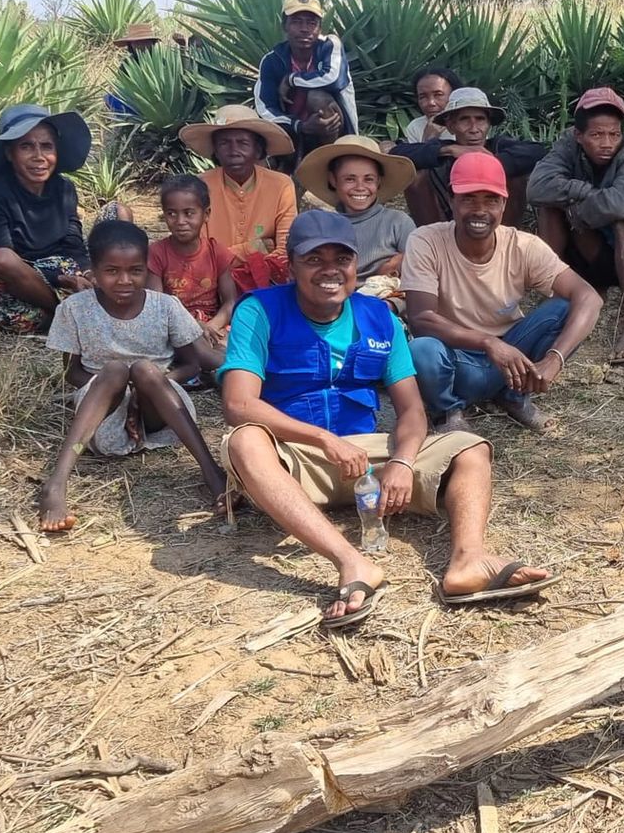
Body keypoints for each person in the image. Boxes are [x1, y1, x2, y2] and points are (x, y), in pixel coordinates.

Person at [220, 210, 555, 625]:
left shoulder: (380, 317)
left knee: (471, 447)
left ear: (356, 264)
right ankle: (352, 562)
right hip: (293, 458)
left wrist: (401, 461)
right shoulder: (260, 310)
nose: (330, 271)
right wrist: (323, 440)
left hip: (365, 464)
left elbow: (412, 410)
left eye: (341, 260)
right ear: (291, 264)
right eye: (314, 259)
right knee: (244, 439)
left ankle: (468, 560)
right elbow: (239, 404)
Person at [39, 219, 227, 533]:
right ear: (93, 272)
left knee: (144, 369)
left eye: (136, 270)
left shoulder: (165, 306)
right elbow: (72, 372)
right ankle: (56, 483)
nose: (125, 280)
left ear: (147, 268)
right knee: (114, 370)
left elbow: (193, 365)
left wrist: (152, 383)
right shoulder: (74, 309)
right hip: (103, 413)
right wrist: (120, 389)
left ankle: (212, 473)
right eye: (112, 271)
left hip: (163, 409)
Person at [403, 152, 603, 433]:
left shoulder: (523, 246)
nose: (480, 210)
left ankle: (514, 396)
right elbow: (421, 318)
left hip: (514, 353)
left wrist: (554, 358)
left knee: (566, 308)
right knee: (422, 348)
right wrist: (488, 343)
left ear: (504, 203)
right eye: (469, 198)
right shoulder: (426, 241)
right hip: (457, 360)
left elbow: (589, 297)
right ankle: (448, 411)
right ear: (451, 200)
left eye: (491, 200)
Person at [527, 87, 624, 366]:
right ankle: (554, 297)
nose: (607, 143)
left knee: (623, 221)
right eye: (597, 135)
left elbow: (622, 203)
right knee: (548, 207)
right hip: (591, 251)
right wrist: (582, 191)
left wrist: (578, 210)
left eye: (614, 134)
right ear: (579, 136)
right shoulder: (567, 146)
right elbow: (537, 188)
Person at [0, 102, 93, 334]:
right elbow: (2, 258)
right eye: (26, 146)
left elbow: (72, 241)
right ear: (10, 153)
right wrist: (59, 281)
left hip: (64, 268)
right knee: (13, 308)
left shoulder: (64, 188)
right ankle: (65, 314)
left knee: (118, 216)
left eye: (46, 146)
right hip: (22, 278)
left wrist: (86, 273)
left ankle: (70, 314)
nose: (39, 156)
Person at [180, 105, 299, 293]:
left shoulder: (281, 185)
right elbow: (198, 256)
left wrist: (224, 255)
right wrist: (257, 247)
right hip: (210, 288)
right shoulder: (199, 186)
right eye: (224, 143)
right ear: (216, 150)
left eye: (243, 143)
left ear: (258, 149)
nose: (233, 150)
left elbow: (285, 253)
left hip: (266, 286)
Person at [391, 86, 543, 227]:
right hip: (445, 226)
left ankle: (502, 240)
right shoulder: (444, 148)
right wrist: (449, 150)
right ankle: (434, 240)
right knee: (417, 176)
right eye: (464, 120)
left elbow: (537, 151)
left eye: (480, 119)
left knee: (516, 177)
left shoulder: (499, 145)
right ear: (451, 126)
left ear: (489, 123)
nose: (474, 128)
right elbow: (397, 153)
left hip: (494, 225)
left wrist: (488, 162)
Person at [147, 174, 237, 373]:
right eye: (171, 214)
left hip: (213, 326)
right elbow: (158, 307)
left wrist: (212, 326)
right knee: (188, 344)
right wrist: (194, 327)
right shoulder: (156, 253)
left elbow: (230, 302)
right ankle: (228, 369)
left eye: (189, 213)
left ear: (206, 214)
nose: (180, 221)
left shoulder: (217, 252)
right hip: (176, 327)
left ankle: (212, 367)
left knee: (236, 339)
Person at [295, 135, 417, 280]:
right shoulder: (323, 227)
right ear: (333, 180)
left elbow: (418, 267)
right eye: (350, 179)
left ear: (378, 181)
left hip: (388, 298)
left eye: (368, 179)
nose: (360, 187)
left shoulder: (397, 222)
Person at [254, 0, 359, 156]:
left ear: (319, 28)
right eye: (296, 22)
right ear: (285, 26)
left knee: (317, 97)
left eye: (311, 23)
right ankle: (292, 162)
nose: (304, 29)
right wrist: (300, 126)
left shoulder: (329, 45)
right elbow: (265, 109)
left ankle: (331, 158)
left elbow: (333, 79)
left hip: (336, 133)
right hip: (295, 134)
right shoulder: (272, 61)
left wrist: (291, 79)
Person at [401, 65, 460, 144]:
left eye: (438, 95)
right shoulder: (416, 127)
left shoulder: (471, 124)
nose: (431, 103)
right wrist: (429, 138)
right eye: (423, 97)